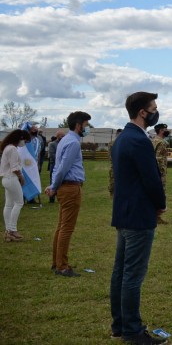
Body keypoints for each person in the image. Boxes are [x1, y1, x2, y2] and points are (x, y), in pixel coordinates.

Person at [110, 92, 168, 344]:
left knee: (121, 273)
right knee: (132, 275)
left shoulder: (123, 138)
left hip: (124, 213)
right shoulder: (138, 140)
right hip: (138, 215)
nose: (156, 111)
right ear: (143, 112)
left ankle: (120, 324)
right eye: (153, 108)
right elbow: (151, 179)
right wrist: (160, 205)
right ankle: (132, 330)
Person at [46, 110, 92, 277]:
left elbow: (59, 167)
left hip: (65, 187)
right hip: (71, 188)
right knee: (66, 228)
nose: (87, 129)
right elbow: (64, 168)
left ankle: (57, 262)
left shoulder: (65, 140)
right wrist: (53, 187)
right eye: (86, 125)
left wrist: (54, 185)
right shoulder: (72, 143)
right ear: (79, 125)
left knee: (61, 227)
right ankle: (62, 266)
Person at [1, 129, 30, 242]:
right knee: (19, 202)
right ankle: (12, 230)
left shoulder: (8, 147)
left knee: (9, 205)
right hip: (11, 178)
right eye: (25, 141)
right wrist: (21, 177)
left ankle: (8, 231)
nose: (25, 143)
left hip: (6, 179)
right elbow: (14, 167)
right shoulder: (12, 149)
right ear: (21, 138)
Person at [152, 123, 170, 224]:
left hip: (153, 170)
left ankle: (154, 215)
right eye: (165, 129)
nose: (167, 130)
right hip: (159, 171)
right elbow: (159, 158)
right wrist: (160, 172)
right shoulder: (162, 143)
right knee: (161, 192)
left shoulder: (153, 140)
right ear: (160, 131)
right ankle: (157, 216)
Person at [47, 130, 65, 203]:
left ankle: (61, 197)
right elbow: (52, 155)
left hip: (62, 165)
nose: (63, 137)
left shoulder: (64, 144)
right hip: (54, 165)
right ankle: (52, 198)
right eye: (62, 136)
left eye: (64, 136)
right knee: (53, 180)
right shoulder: (52, 144)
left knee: (62, 181)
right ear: (57, 136)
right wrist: (62, 159)